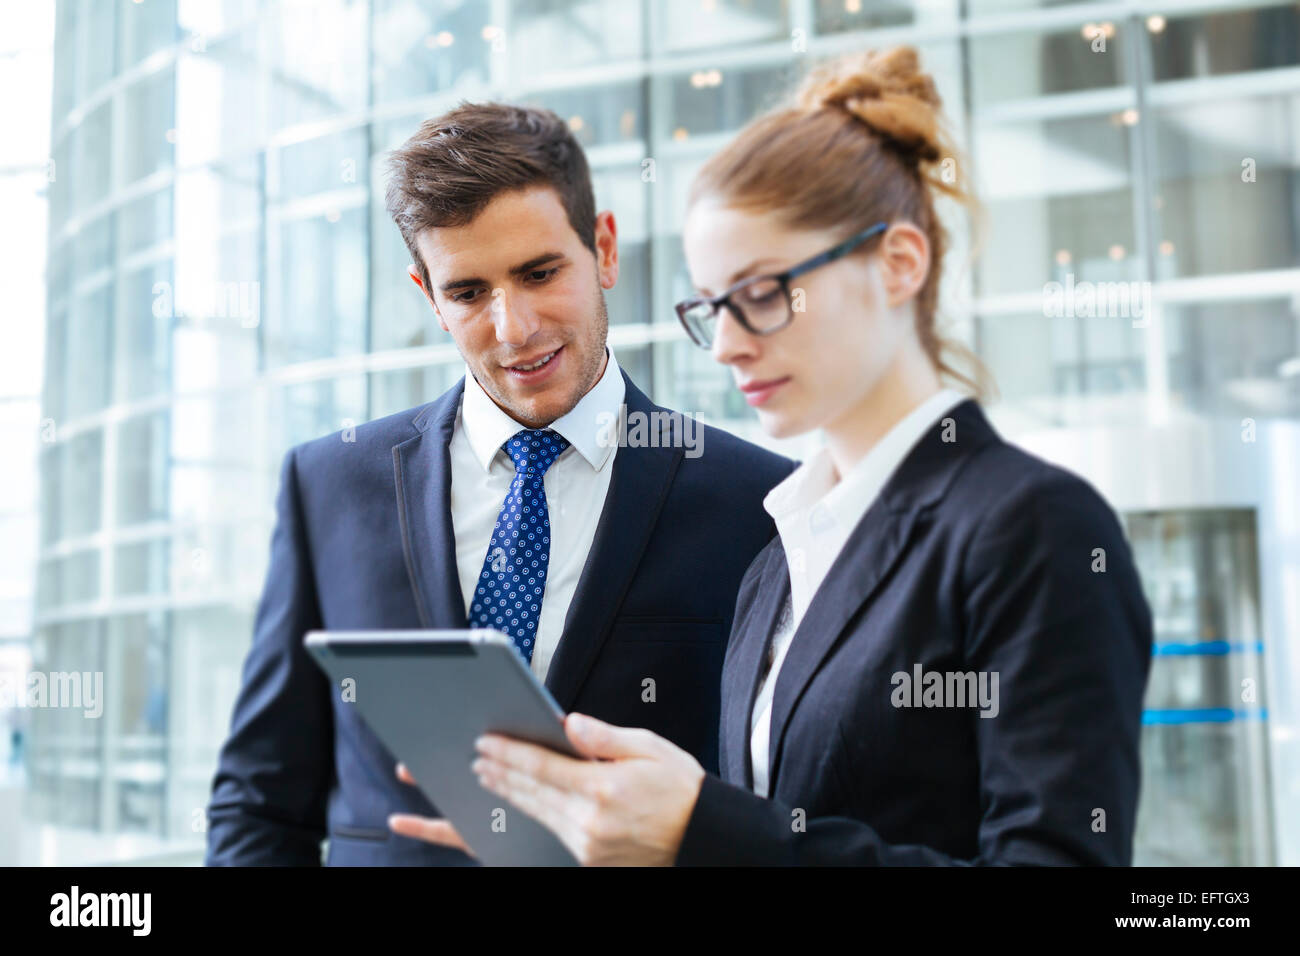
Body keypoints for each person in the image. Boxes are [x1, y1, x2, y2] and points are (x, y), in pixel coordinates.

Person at [395, 46, 1154, 866]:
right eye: (711, 306)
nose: (724, 346)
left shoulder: (1030, 525)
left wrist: (699, 829)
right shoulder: (779, 555)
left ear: (899, 263)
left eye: (761, 295)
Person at [204, 102, 795, 866]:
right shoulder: (329, 487)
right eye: (469, 292)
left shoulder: (761, 503)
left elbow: (770, 806)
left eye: (540, 273)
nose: (512, 327)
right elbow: (258, 800)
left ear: (604, 250)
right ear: (429, 298)